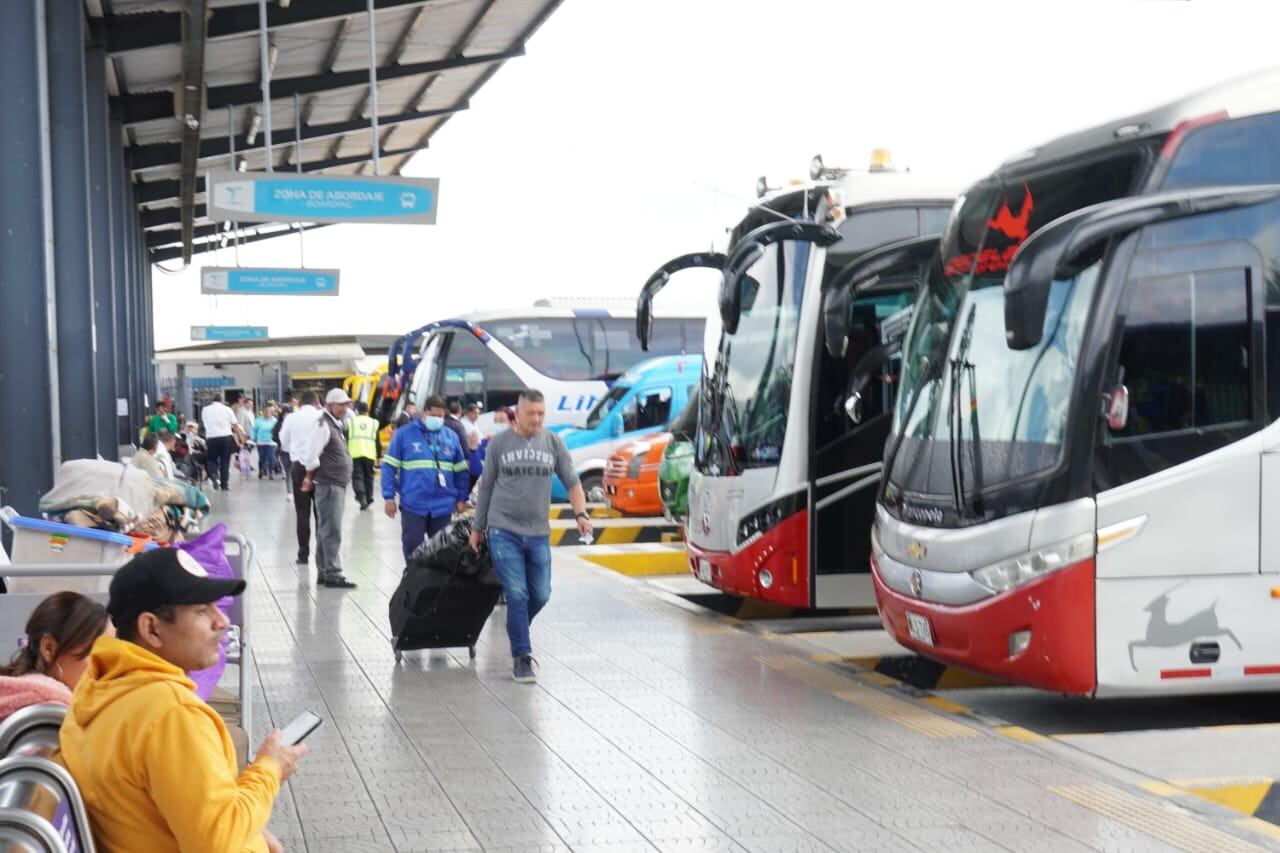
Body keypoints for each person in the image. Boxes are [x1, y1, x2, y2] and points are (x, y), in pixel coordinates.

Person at [59, 548, 304, 853]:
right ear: (151, 628)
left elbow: (186, 815)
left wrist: (252, 832)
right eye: (202, 611)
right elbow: (217, 842)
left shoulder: (98, 689)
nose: (222, 621)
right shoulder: (171, 713)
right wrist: (269, 770)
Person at [471, 389, 592, 683]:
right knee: (517, 594)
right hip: (503, 530)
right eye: (531, 414)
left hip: (538, 532)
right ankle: (522, 658)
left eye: (541, 414)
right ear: (518, 413)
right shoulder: (499, 444)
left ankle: (518, 625)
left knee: (540, 595)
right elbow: (485, 487)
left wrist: (581, 515)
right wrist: (478, 528)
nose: (537, 419)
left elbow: (573, 483)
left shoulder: (553, 443)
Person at [382, 395, 469, 565]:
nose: (437, 419)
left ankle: (437, 588)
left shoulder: (450, 436)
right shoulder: (404, 435)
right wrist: (389, 497)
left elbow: (460, 471)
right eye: (434, 415)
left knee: (442, 550)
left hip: (443, 505)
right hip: (413, 504)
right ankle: (413, 585)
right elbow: (389, 467)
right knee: (413, 548)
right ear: (424, 413)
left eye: (440, 416)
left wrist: (461, 498)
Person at [0, 592, 112, 723]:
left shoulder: (21, 700)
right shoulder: (51, 715)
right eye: (97, 653)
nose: (109, 668)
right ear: (49, 648)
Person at [298, 389, 357, 588]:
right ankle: (332, 572)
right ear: (330, 405)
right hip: (329, 484)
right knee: (332, 530)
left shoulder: (335, 424)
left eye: (346, 404)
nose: (345, 408)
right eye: (341, 404)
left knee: (327, 529)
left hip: (334, 483)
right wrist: (309, 478)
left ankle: (325, 571)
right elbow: (311, 456)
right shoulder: (323, 424)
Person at [279, 392, 322, 565]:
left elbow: (284, 441)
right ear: (316, 402)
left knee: (302, 512)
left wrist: (297, 451)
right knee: (320, 512)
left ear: (300, 403)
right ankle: (322, 553)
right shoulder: (322, 416)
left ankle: (303, 554)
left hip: (299, 467)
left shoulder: (291, 418)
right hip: (320, 468)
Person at [346, 401, 380, 510]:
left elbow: (346, 439)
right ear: (367, 411)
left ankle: (361, 496)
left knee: (357, 476)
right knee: (369, 476)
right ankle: (369, 497)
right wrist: (378, 455)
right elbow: (377, 441)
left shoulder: (350, 422)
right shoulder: (374, 422)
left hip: (354, 453)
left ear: (357, 411)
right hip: (370, 454)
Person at [201, 394, 238, 491]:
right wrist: (240, 438)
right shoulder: (227, 409)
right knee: (225, 461)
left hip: (212, 437)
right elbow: (235, 424)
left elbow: (204, 422)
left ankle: (213, 474)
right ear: (222, 400)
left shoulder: (205, 409)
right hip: (226, 437)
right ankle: (224, 485)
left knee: (211, 459)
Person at [252, 406, 279, 481]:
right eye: (265, 411)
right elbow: (254, 430)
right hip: (261, 441)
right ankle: (261, 471)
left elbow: (277, 430)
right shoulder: (258, 420)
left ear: (271, 412)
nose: (267, 413)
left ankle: (271, 473)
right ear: (263, 412)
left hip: (271, 442)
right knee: (262, 458)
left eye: (269, 411)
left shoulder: (274, 420)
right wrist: (253, 437)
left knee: (271, 458)